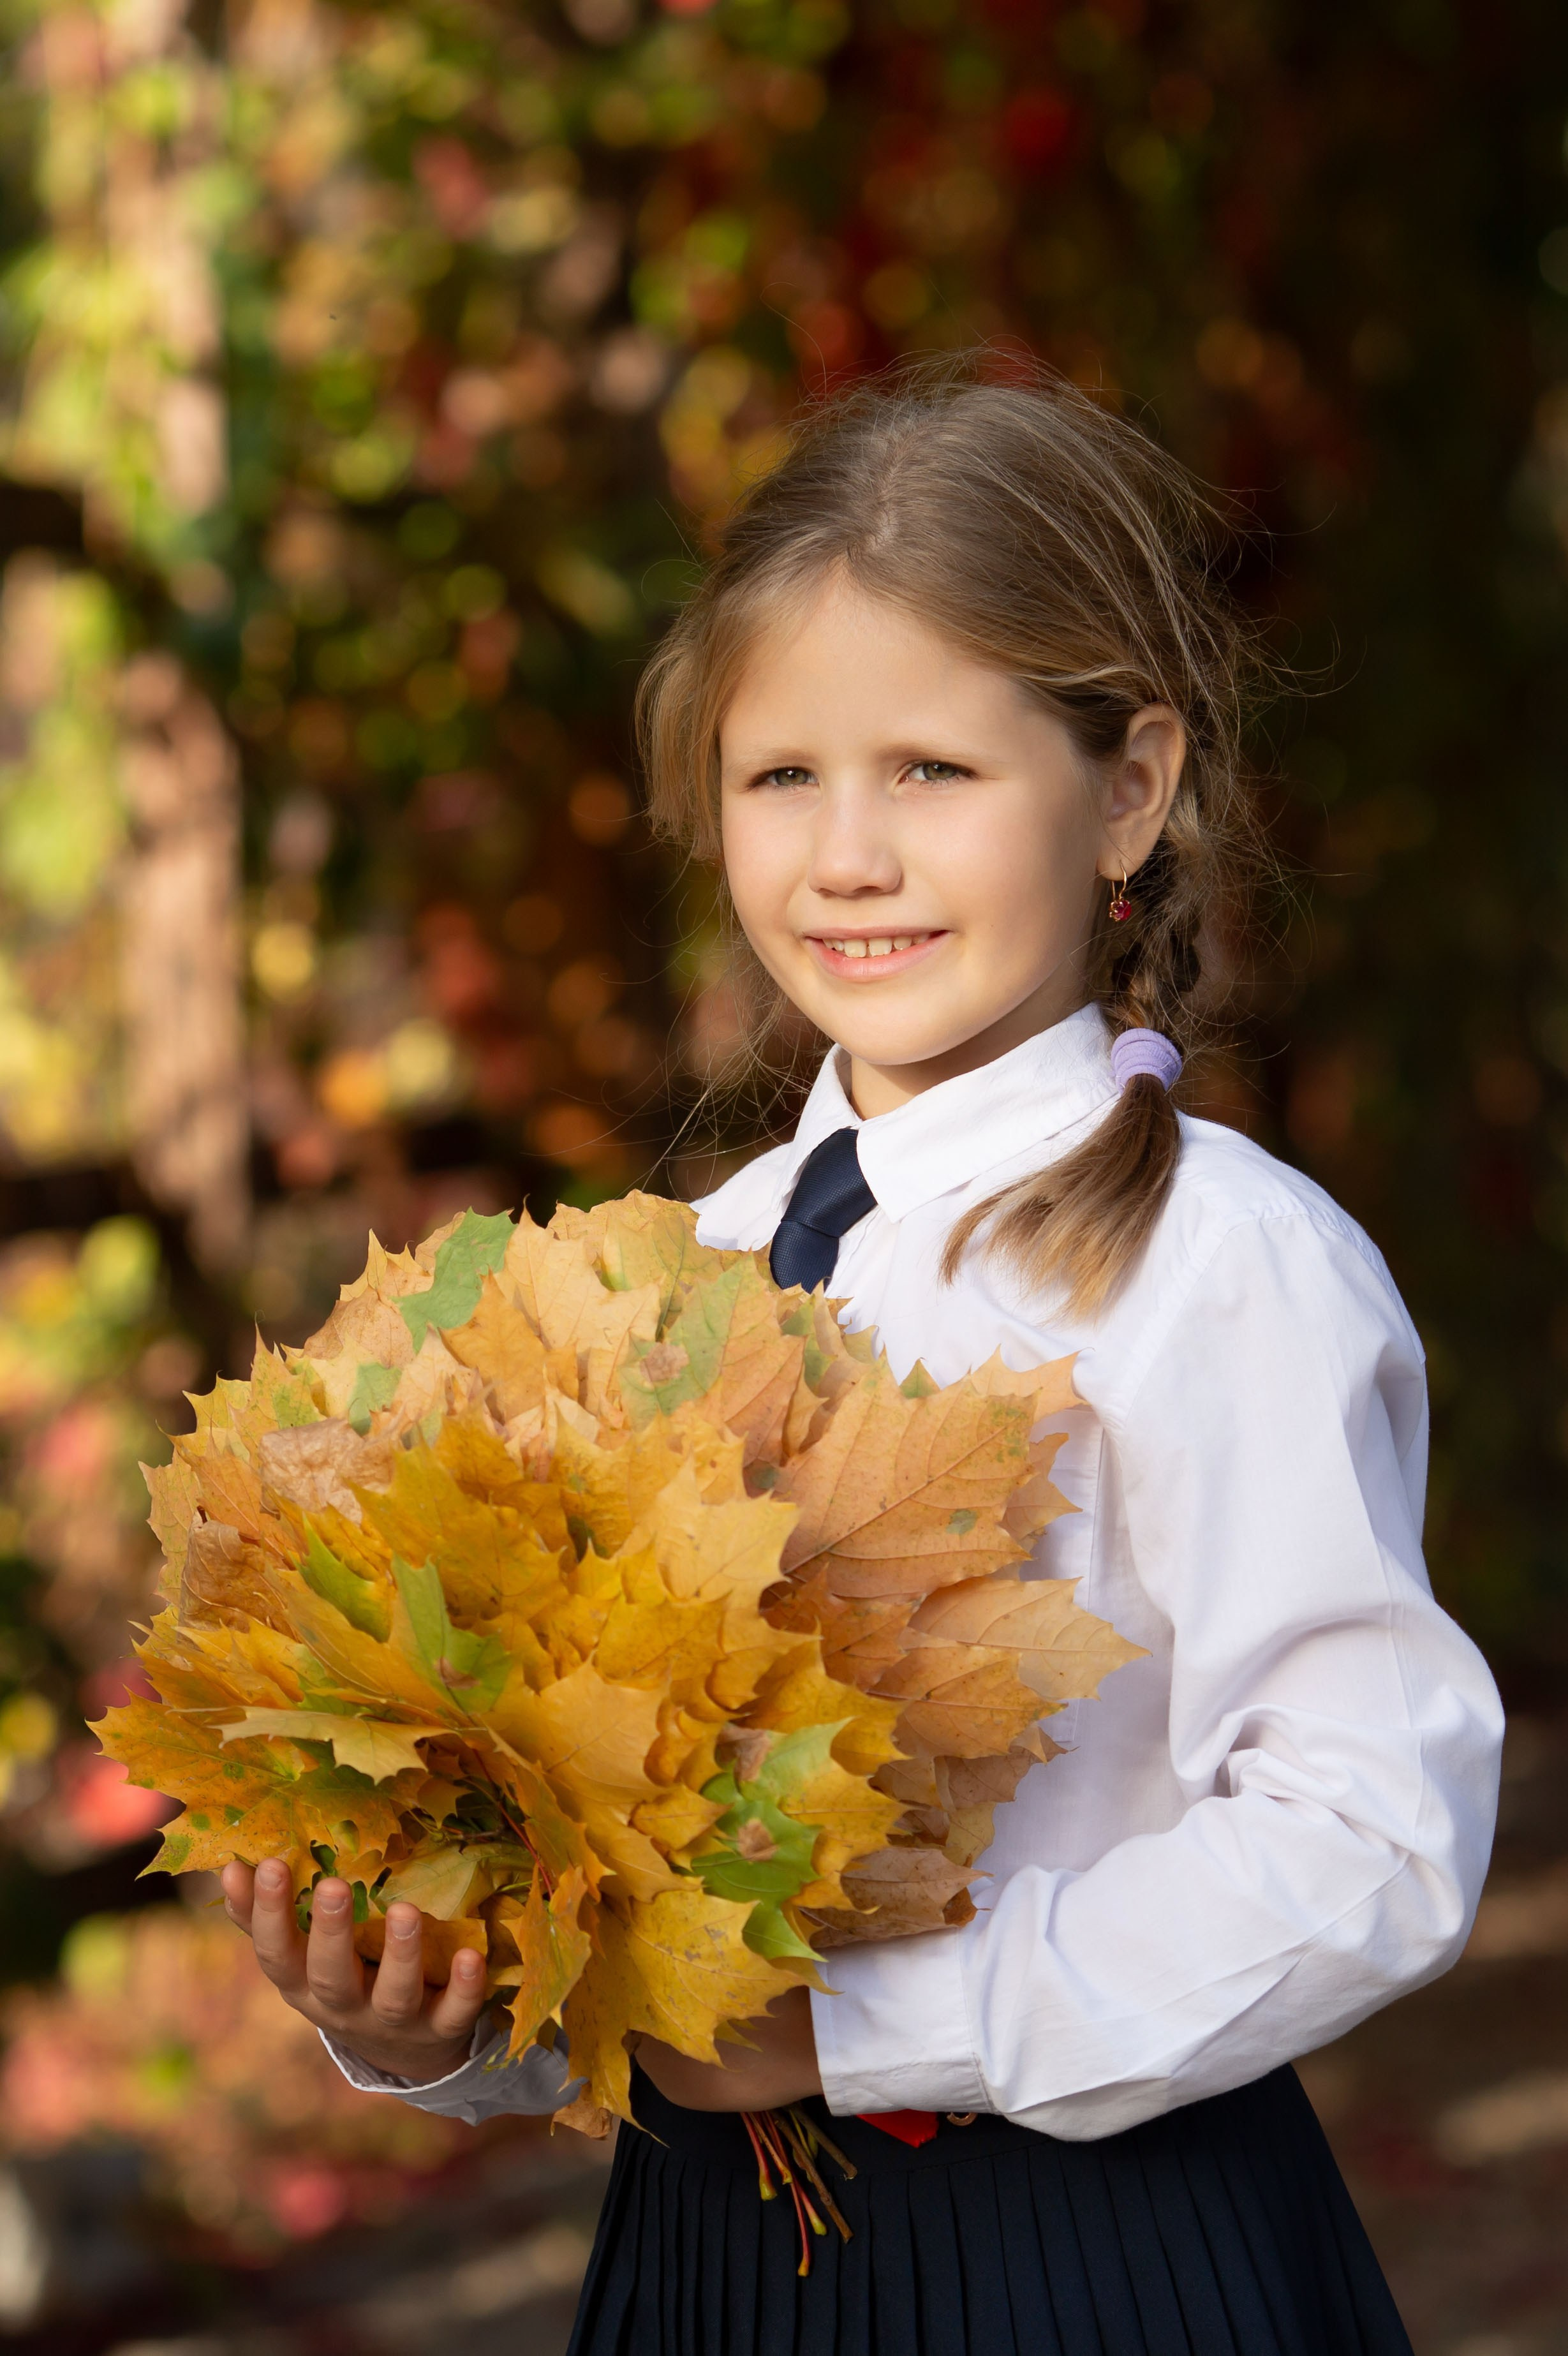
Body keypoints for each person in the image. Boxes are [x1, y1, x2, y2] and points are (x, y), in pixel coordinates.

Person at [221, 363, 1503, 2353]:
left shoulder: (1218, 1265)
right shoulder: (665, 1285)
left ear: (1130, 793)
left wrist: (867, 2028)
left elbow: (1368, 1839)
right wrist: (425, 2019)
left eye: (930, 771)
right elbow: (596, 1875)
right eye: (779, 777)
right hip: (702, 2273)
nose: (846, 856)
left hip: (1094, 2269)